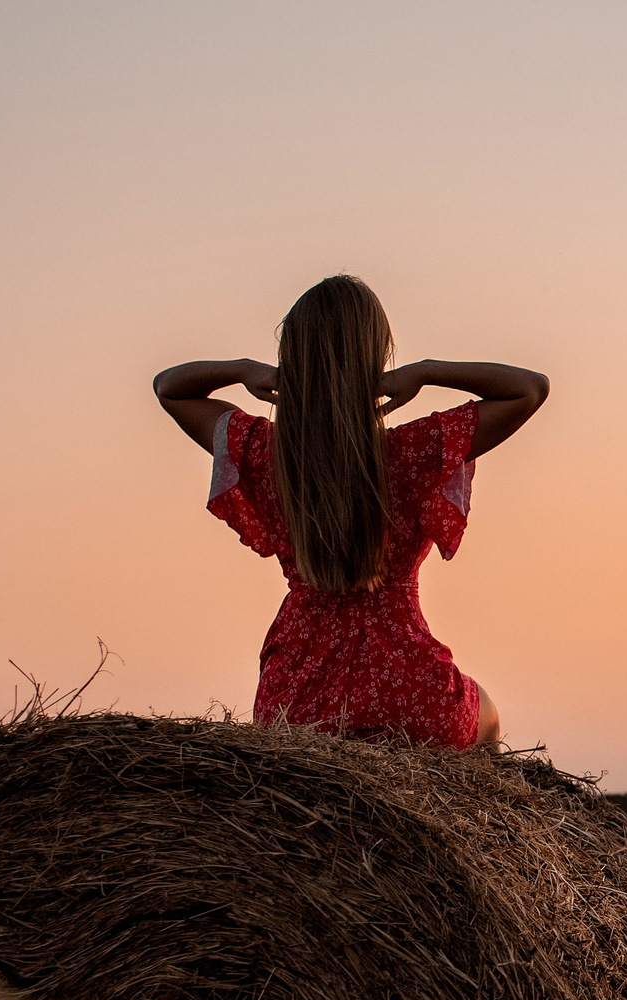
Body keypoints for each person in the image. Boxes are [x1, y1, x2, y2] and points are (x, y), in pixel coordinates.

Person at [152, 274, 548, 750]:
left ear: (290, 361)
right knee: (488, 718)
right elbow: (529, 388)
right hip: (410, 689)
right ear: (378, 360)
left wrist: (243, 369)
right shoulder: (413, 451)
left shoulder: (262, 453)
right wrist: (426, 370)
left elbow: (169, 387)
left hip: (298, 697)